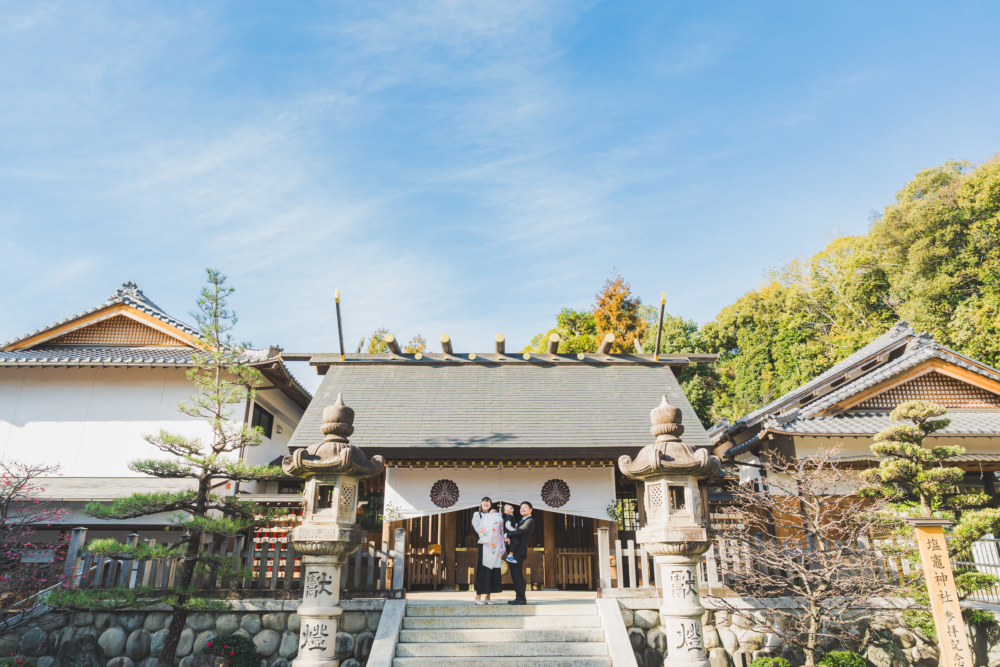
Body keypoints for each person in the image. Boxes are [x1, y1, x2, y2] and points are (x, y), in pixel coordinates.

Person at [471, 496, 503, 605]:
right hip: (484, 544)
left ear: (491, 504)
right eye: (484, 502)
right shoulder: (477, 515)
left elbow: (498, 528)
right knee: (483, 569)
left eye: (488, 502)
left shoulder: (494, 515)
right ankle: (477, 597)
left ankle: (488, 597)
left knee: (492, 570)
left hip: (493, 546)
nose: (486, 503)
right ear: (480, 504)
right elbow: (479, 529)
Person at [503, 501, 535, 605]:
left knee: (517, 574)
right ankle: (518, 597)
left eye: (525, 507)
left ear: (531, 510)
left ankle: (521, 598)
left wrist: (506, 534)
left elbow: (519, 532)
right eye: (521, 508)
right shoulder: (520, 520)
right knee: (515, 575)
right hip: (514, 551)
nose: (522, 509)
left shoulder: (530, 521)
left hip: (519, 551)